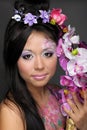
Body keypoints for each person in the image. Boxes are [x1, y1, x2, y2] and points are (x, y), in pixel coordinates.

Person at [0, 0, 87, 130]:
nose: (39, 66)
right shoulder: (11, 113)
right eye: (27, 56)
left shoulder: (59, 95)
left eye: (47, 54)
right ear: (14, 58)